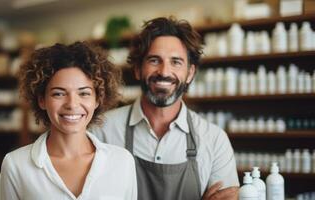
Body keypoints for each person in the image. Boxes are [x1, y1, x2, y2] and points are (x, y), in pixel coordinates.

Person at [91, 17, 239, 200]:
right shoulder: (101, 131)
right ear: (137, 69)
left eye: (176, 62)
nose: (164, 71)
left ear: (190, 73)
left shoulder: (214, 140)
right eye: (154, 60)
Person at [1, 42, 137, 200]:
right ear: (41, 100)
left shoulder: (121, 161)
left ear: (98, 99)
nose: (72, 104)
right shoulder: (16, 165)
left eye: (84, 93)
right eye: (59, 94)